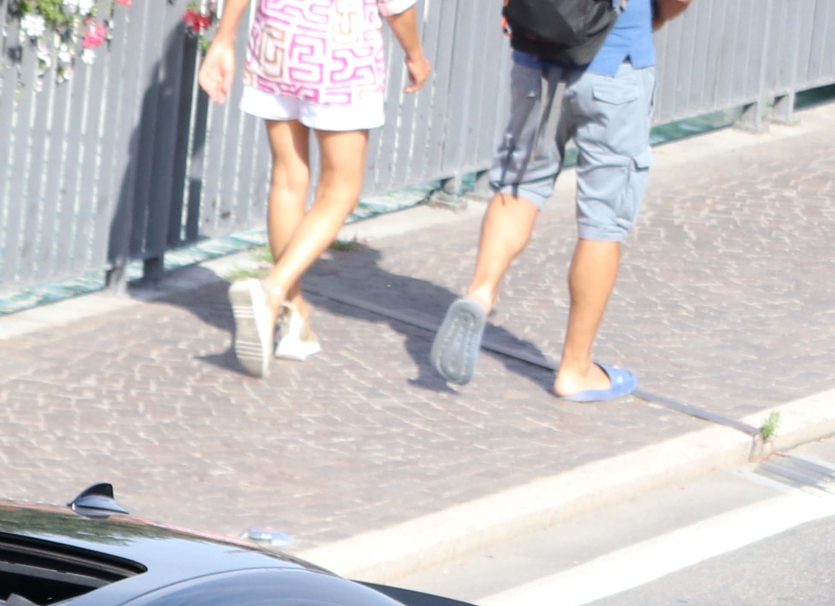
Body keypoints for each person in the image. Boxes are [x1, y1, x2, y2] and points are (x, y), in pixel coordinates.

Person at [430, 0, 694, 400]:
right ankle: (576, 368)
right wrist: (657, 16)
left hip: (538, 56)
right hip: (616, 66)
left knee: (518, 186)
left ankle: (481, 291)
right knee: (602, 223)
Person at [198, 0, 432, 379]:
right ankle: (272, 290)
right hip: (340, 50)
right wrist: (415, 54)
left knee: (288, 178)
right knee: (340, 190)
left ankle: (294, 322)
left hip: (275, 42)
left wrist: (224, 38)